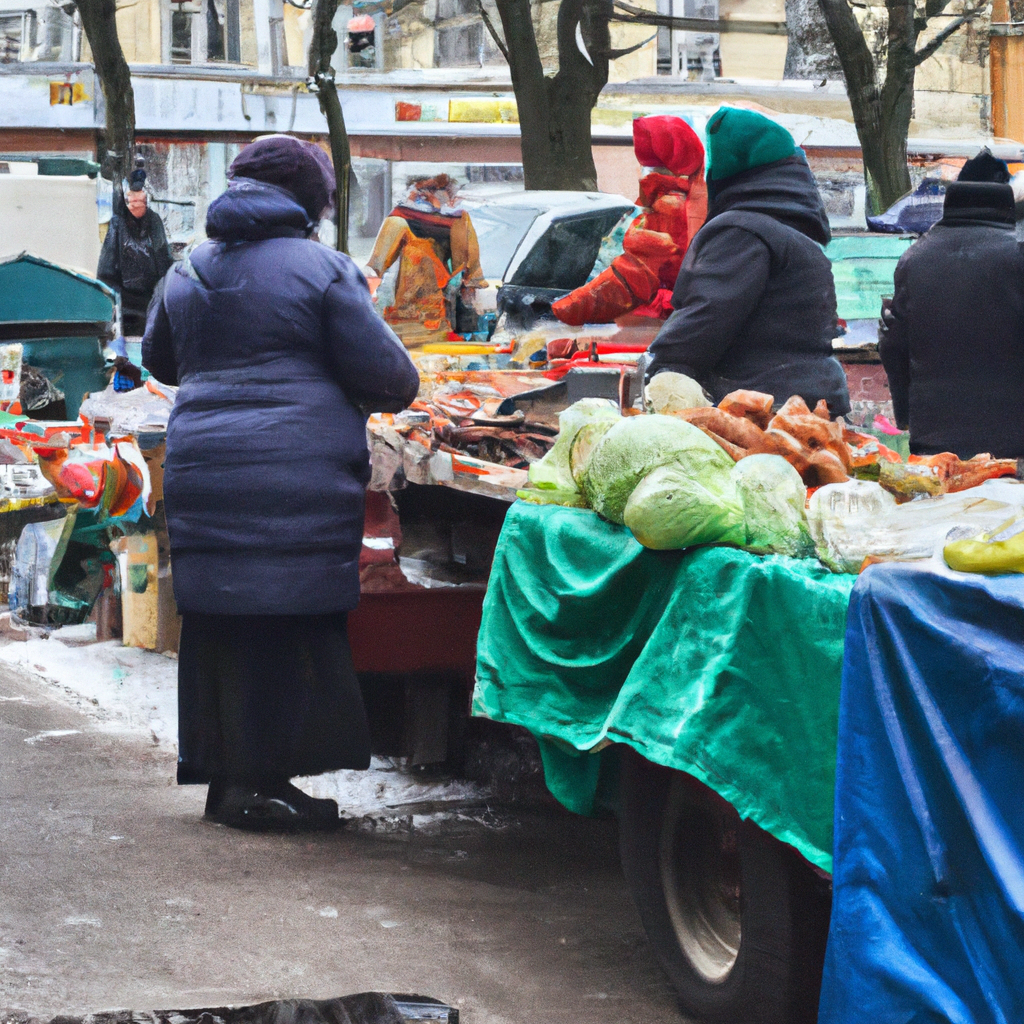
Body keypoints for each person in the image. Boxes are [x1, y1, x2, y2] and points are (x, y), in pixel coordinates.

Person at [142, 135, 420, 831]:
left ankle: (235, 781)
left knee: (228, 626)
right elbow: (393, 379)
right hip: (289, 474)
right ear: (309, 199)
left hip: (206, 467)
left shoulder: (188, 268)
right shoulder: (323, 270)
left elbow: (162, 361)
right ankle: (257, 785)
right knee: (280, 623)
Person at [646, 107, 850, 416]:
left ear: (724, 172)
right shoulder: (791, 234)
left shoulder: (740, 231)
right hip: (808, 405)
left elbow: (708, 314)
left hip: (761, 412)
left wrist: (665, 368)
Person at [879, 149, 1024, 459]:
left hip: (935, 442)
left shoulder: (915, 256)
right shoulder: (1016, 252)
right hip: (1014, 441)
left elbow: (894, 344)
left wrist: (905, 416)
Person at [97, 163, 173, 337]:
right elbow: (106, 270)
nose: (136, 205)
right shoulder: (117, 223)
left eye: (140, 201)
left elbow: (163, 259)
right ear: (127, 200)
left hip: (152, 301)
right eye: (133, 201)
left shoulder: (154, 221)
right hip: (126, 306)